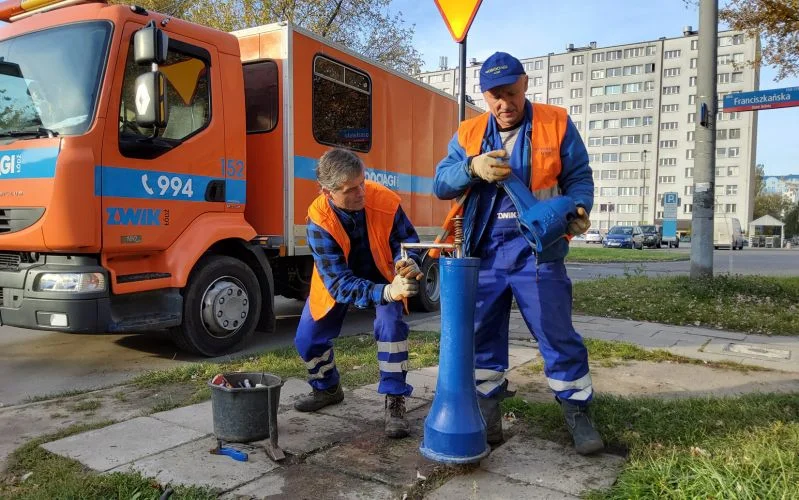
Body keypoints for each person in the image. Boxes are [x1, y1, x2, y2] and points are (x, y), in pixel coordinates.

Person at [433, 52, 603, 455]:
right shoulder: (469, 133)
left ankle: (578, 411)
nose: (503, 103)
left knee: (556, 332)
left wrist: (579, 210)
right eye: (494, 95)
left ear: (525, 84)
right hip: (484, 250)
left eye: (510, 92)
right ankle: (486, 414)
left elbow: (579, 178)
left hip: (537, 251)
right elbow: (441, 183)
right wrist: (471, 167)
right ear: (485, 95)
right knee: (481, 335)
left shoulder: (555, 122)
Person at [294, 148, 424, 439]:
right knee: (307, 338)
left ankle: (395, 399)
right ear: (327, 192)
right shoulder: (318, 220)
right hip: (339, 279)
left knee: (391, 330)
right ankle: (326, 388)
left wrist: (410, 260)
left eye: (362, 183)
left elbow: (408, 242)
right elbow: (339, 284)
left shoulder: (385, 201)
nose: (362, 192)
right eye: (351, 190)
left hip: (385, 273)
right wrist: (387, 292)